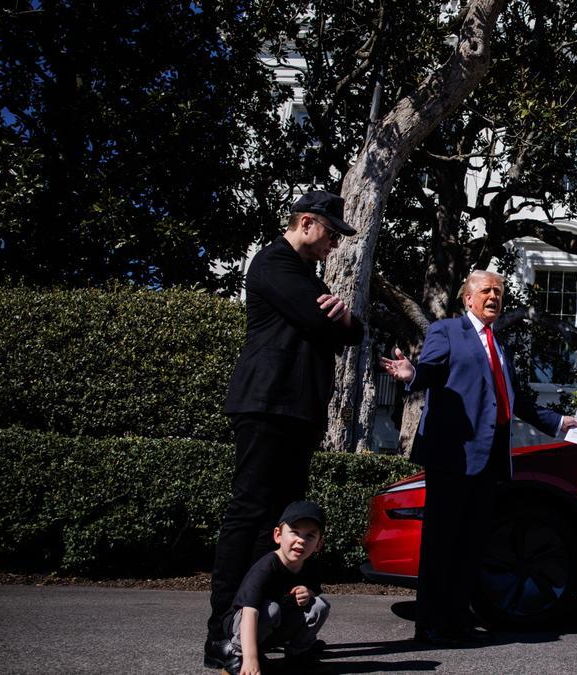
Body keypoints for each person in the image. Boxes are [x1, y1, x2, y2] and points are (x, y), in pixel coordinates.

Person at [380, 270, 577, 646]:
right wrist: (412, 374)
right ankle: (431, 624)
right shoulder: (448, 331)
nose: (494, 297)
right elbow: (432, 370)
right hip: (454, 456)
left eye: (499, 292)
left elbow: (516, 399)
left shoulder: (499, 345)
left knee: (471, 545)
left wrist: (559, 422)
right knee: (442, 544)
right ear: (468, 298)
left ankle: (458, 621)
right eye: (486, 290)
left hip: (489, 460)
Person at [205, 190, 362, 669]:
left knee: (279, 521)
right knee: (249, 511)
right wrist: (342, 322)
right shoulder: (274, 264)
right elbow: (324, 325)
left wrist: (347, 321)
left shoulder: (306, 275)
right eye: (332, 233)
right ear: (307, 223)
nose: (334, 244)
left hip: (298, 409)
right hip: (266, 404)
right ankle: (222, 635)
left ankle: (263, 626)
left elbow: (350, 331)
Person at [221, 500, 331, 675]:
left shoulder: (310, 565)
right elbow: (250, 612)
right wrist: (251, 660)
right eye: (294, 532)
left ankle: (298, 656)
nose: (301, 540)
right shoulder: (266, 566)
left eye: (310, 535)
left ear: (319, 543)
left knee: (319, 605)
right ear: (278, 535)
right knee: (270, 609)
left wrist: (307, 593)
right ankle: (238, 655)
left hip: (278, 625)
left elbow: (313, 591)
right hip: (247, 624)